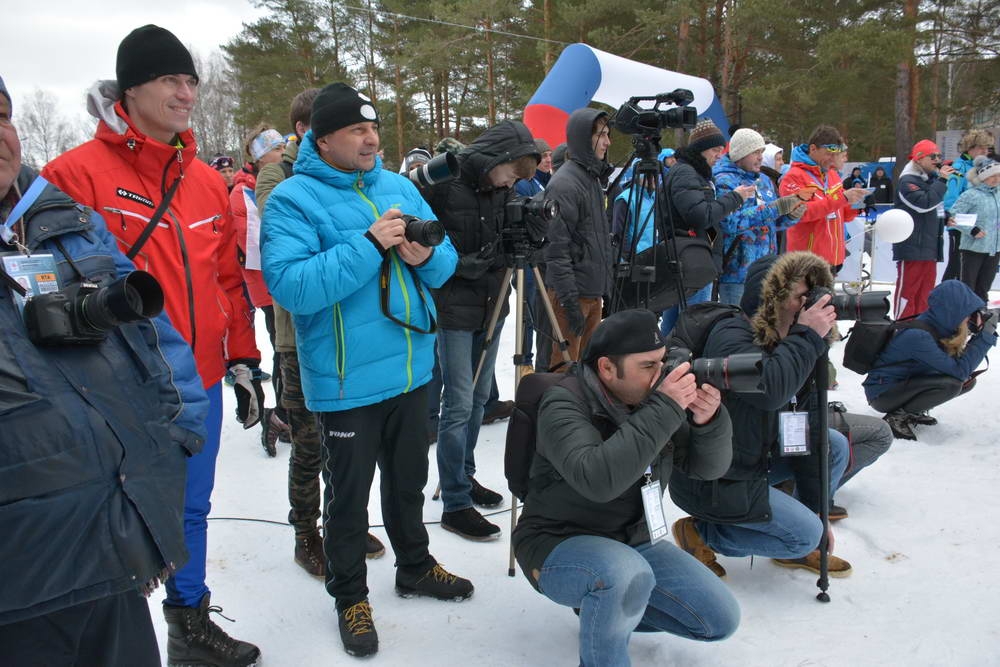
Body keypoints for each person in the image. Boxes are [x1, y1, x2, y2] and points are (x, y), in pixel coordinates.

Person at [41, 25, 263, 666]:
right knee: (111, 515)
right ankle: (111, 638)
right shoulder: (74, 174)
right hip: (117, 388)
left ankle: (188, 624)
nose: (185, 92)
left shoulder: (204, 182)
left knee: (192, 507)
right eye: (171, 79)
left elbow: (226, 281)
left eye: (191, 80)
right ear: (130, 87)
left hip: (199, 381)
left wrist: (244, 359)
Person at [0, 73, 208, 666]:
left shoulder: (57, 217)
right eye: (170, 80)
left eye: (1, 115)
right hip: (21, 581)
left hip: (113, 540)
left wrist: (177, 434)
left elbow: (152, 331)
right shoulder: (78, 173)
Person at [260, 82, 470, 658]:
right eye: (356, 129)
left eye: (373, 128)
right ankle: (350, 595)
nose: (371, 137)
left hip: (408, 368)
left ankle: (415, 566)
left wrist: (424, 255)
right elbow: (292, 286)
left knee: (407, 485)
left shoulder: (399, 186)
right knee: (348, 500)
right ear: (321, 138)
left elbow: (444, 259)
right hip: (346, 381)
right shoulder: (293, 199)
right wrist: (370, 243)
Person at [512, 310, 740, 667]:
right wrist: (664, 407)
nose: (660, 375)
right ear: (606, 368)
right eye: (647, 366)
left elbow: (707, 469)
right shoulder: (564, 403)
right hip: (556, 543)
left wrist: (707, 421)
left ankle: (602, 610)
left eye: (663, 363)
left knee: (718, 619)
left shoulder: (653, 402)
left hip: (632, 542)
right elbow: (598, 480)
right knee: (621, 576)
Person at [256, 88, 387, 575]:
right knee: (310, 441)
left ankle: (342, 522)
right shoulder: (278, 177)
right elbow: (289, 254)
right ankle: (306, 531)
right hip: (300, 334)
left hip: (353, 329)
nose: (362, 138)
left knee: (348, 442)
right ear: (309, 134)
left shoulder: (356, 176)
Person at [669, 252, 853, 579]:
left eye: (815, 295)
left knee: (832, 444)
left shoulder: (800, 342)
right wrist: (808, 337)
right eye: (801, 297)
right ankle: (702, 533)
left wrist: (817, 513)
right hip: (713, 475)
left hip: (754, 458)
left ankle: (796, 537)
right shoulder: (732, 335)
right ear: (772, 299)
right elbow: (770, 390)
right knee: (803, 535)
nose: (810, 306)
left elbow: (809, 428)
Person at [427, 120, 540, 541]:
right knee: (457, 402)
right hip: (454, 309)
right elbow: (423, 241)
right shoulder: (445, 182)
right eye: (511, 173)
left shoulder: (502, 190)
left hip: (493, 303)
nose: (511, 182)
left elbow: (503, 238)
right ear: (496, 159)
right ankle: (455, 501)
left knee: (477, 399)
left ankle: (464, 475)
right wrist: (459, 265)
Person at [865, 280, 995, 439]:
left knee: (967, 381)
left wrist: (982, 330)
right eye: (968, 313)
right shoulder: (919, 336)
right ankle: (897, 416)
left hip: (901, 384)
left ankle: (912, 410)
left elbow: (960, 367)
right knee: (953, 384)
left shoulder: (940, 325)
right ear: (954, 311)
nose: (970, 319)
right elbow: (959, 371)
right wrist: (985, 337)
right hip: (882, 394)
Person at [660, 119, 754, 335]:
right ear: (700, 149)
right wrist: (734, 198)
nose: (719, 155)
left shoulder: (694, 173)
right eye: (715, 149)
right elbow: (700, 215)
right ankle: (681, 365)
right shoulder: (686, 173)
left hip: (690, 258)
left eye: (721, 150)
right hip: (693, 262)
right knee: (693, 325)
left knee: (674, 324)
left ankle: (665, 363)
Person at [231, 124, 290, 456]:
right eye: (275, 148)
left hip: (279, 280)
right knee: (283, 351)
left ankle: (288, 412)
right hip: (268, 285)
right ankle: (280, 416)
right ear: (257, 156)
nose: (283, 152)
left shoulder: (275, 181)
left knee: (290, 350)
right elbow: (256, 244)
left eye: (283, 146)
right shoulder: (245, 192)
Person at [544, 107, 613, 363]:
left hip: (591, 292)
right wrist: (570, 302)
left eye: (608, 134)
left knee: (587, 368)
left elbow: (597, 240)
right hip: (571, 295)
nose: (608, 141)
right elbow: (556, 248)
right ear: (584, 137)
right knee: (564, 369)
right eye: (601, 134)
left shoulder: (591, 179)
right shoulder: (565, 183)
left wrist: (606, 286)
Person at [713, 128, 806, 306]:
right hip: (737, 273)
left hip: (766, 271)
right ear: (741, 153)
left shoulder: (763, 180)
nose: (761, 157)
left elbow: (771, 221)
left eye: (762, 152)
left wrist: (790, 216)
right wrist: (774, 208)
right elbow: (729, 222)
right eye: (756, 152)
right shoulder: (724, 181)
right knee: (739, 328)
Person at [780, 125, 867, 270]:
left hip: (833, 259)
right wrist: (842, 199)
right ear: (813, 149)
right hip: (807, 262)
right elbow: (801, 213)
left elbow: (842, 214)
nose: (832, 159)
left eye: (835, 155)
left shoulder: (831, 174)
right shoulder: (793, 176)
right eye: (828, 154)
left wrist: (856, 205)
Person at [891, 139, 956, 319]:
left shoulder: (931, 180)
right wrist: (942, 180)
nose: (937, 160)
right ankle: (901, 327)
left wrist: (946, 218)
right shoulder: (907, 181)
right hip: (912, 247)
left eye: (939, 156)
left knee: (925, 294)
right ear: (918, 159)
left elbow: (935, 207)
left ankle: (920, 330)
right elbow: (924, 203)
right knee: (908, 292)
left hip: (929, 247)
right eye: (932, 156)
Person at [942, 129, 995, 280]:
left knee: (975, 272)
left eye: (987, 148)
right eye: (981, 147)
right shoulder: (958, 168)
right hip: (961, 228)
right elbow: (951, 201)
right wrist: (963, 225)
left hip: (980, 228)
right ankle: (946, 299)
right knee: (956, 268)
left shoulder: (984, 168)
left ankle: (972, 300)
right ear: (970, 148)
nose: (985, 151)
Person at [952, 156, 1000, 301]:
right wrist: (972, 230)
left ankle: (980, 319)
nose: (996, 179)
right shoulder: (971, 195)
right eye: (992, 176)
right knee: (968, 288)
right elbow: (954, 216)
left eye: (998, 175)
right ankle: (965, 320)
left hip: (994, 249)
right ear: (983, 177)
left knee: (983, 288)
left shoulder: (998, 194)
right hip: (973, 249)